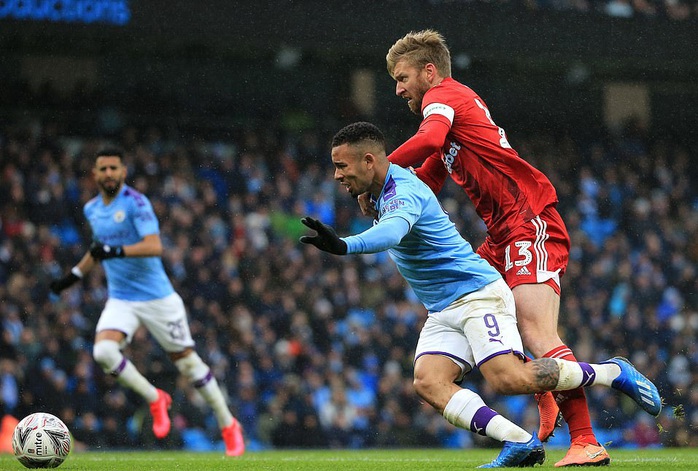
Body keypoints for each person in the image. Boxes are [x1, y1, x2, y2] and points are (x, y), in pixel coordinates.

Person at [300, 122, 661, 468]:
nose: (336, 175)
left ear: (369, 161)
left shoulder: (402, 191)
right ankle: (518, 441)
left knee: (509, 380)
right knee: (429, 381)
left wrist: (345, 245)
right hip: (443, 308)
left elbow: (393, 232)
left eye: (341, 166)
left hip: (477, 295)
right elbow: (436, 161)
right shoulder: (381, 190)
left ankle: (612, 372)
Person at [357, 29, 607, 467]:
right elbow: (428, 178)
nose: (398, 89)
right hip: (501, 233)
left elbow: (429, 143)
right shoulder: (451, 115)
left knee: (537, 332)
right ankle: (540, 387)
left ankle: (586, 439)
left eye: (402, 78)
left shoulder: (444, 98)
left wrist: (377, 169)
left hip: (529, 220)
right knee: (469, 294)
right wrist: (383, 195)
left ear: (429, 72)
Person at [49, 149, 245, 456]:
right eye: (104, 168)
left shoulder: (137, 203)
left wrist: (115, 252)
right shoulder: (91, 209)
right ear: (95, 174)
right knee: (102, 351)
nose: (109, 173)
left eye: (114, 167)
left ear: (124, 171)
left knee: (190, 367)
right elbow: (98, 249)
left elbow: (153, 246)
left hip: (158, 298)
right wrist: (72, 276)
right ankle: (155, 398)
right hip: (122, 299)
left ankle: (228, 424)